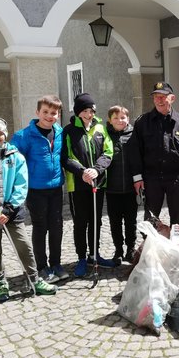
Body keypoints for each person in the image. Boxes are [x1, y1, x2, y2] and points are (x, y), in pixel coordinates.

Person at [0, 116, 58, 302]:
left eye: (0, 134)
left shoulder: (16, 157)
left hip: (11, 212)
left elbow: (21, 186)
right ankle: (0, 282)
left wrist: (8, 210)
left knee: (24, 246)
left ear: (5, 135)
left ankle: (34, 279)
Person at [11, 95, 67, 283]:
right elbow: (12, 162)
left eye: (53, 113)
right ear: (37, 112)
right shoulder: (24, 136)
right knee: (40, 227)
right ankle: (42, 267)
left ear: (58, 115)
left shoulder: (60, 133)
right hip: (35, 190)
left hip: (56, 188)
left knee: (57, 226)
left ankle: (56, 264)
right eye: (45, 112)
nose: (49, 116)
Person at [61, 93, 117, 277]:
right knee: (80, 222)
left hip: (97, 182)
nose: (89, 114)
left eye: (91, 110)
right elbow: (66, 157)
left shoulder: (101, 128)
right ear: (78, 112)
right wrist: (82, 171)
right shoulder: (69, 131)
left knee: (96, 220)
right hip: (78, 185)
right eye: (85, 111)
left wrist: (96, 170)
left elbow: (108, 152)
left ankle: (95, 254)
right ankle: (81, 258)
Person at [128, 82, 179, 225]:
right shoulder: (143, 122)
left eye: (163, 97)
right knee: (150, 218)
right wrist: (137, 178)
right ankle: (150, 246)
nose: (159, 100)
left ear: (172, 98)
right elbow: (135, 151)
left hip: (176, 178)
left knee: (177, 218)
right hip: (152, 177)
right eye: (156, 97)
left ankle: (174, 246)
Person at [105, 105, 138, 263]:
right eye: (116, 118)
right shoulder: (105, 135)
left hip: (131, 188)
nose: (120, 120)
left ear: (128, 119)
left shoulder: (134, 135)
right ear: (110, 121)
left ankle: (131, 248)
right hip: (112, 188)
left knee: (131, 221)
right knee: (115, 221)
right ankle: (118, 249)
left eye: (123, 117)